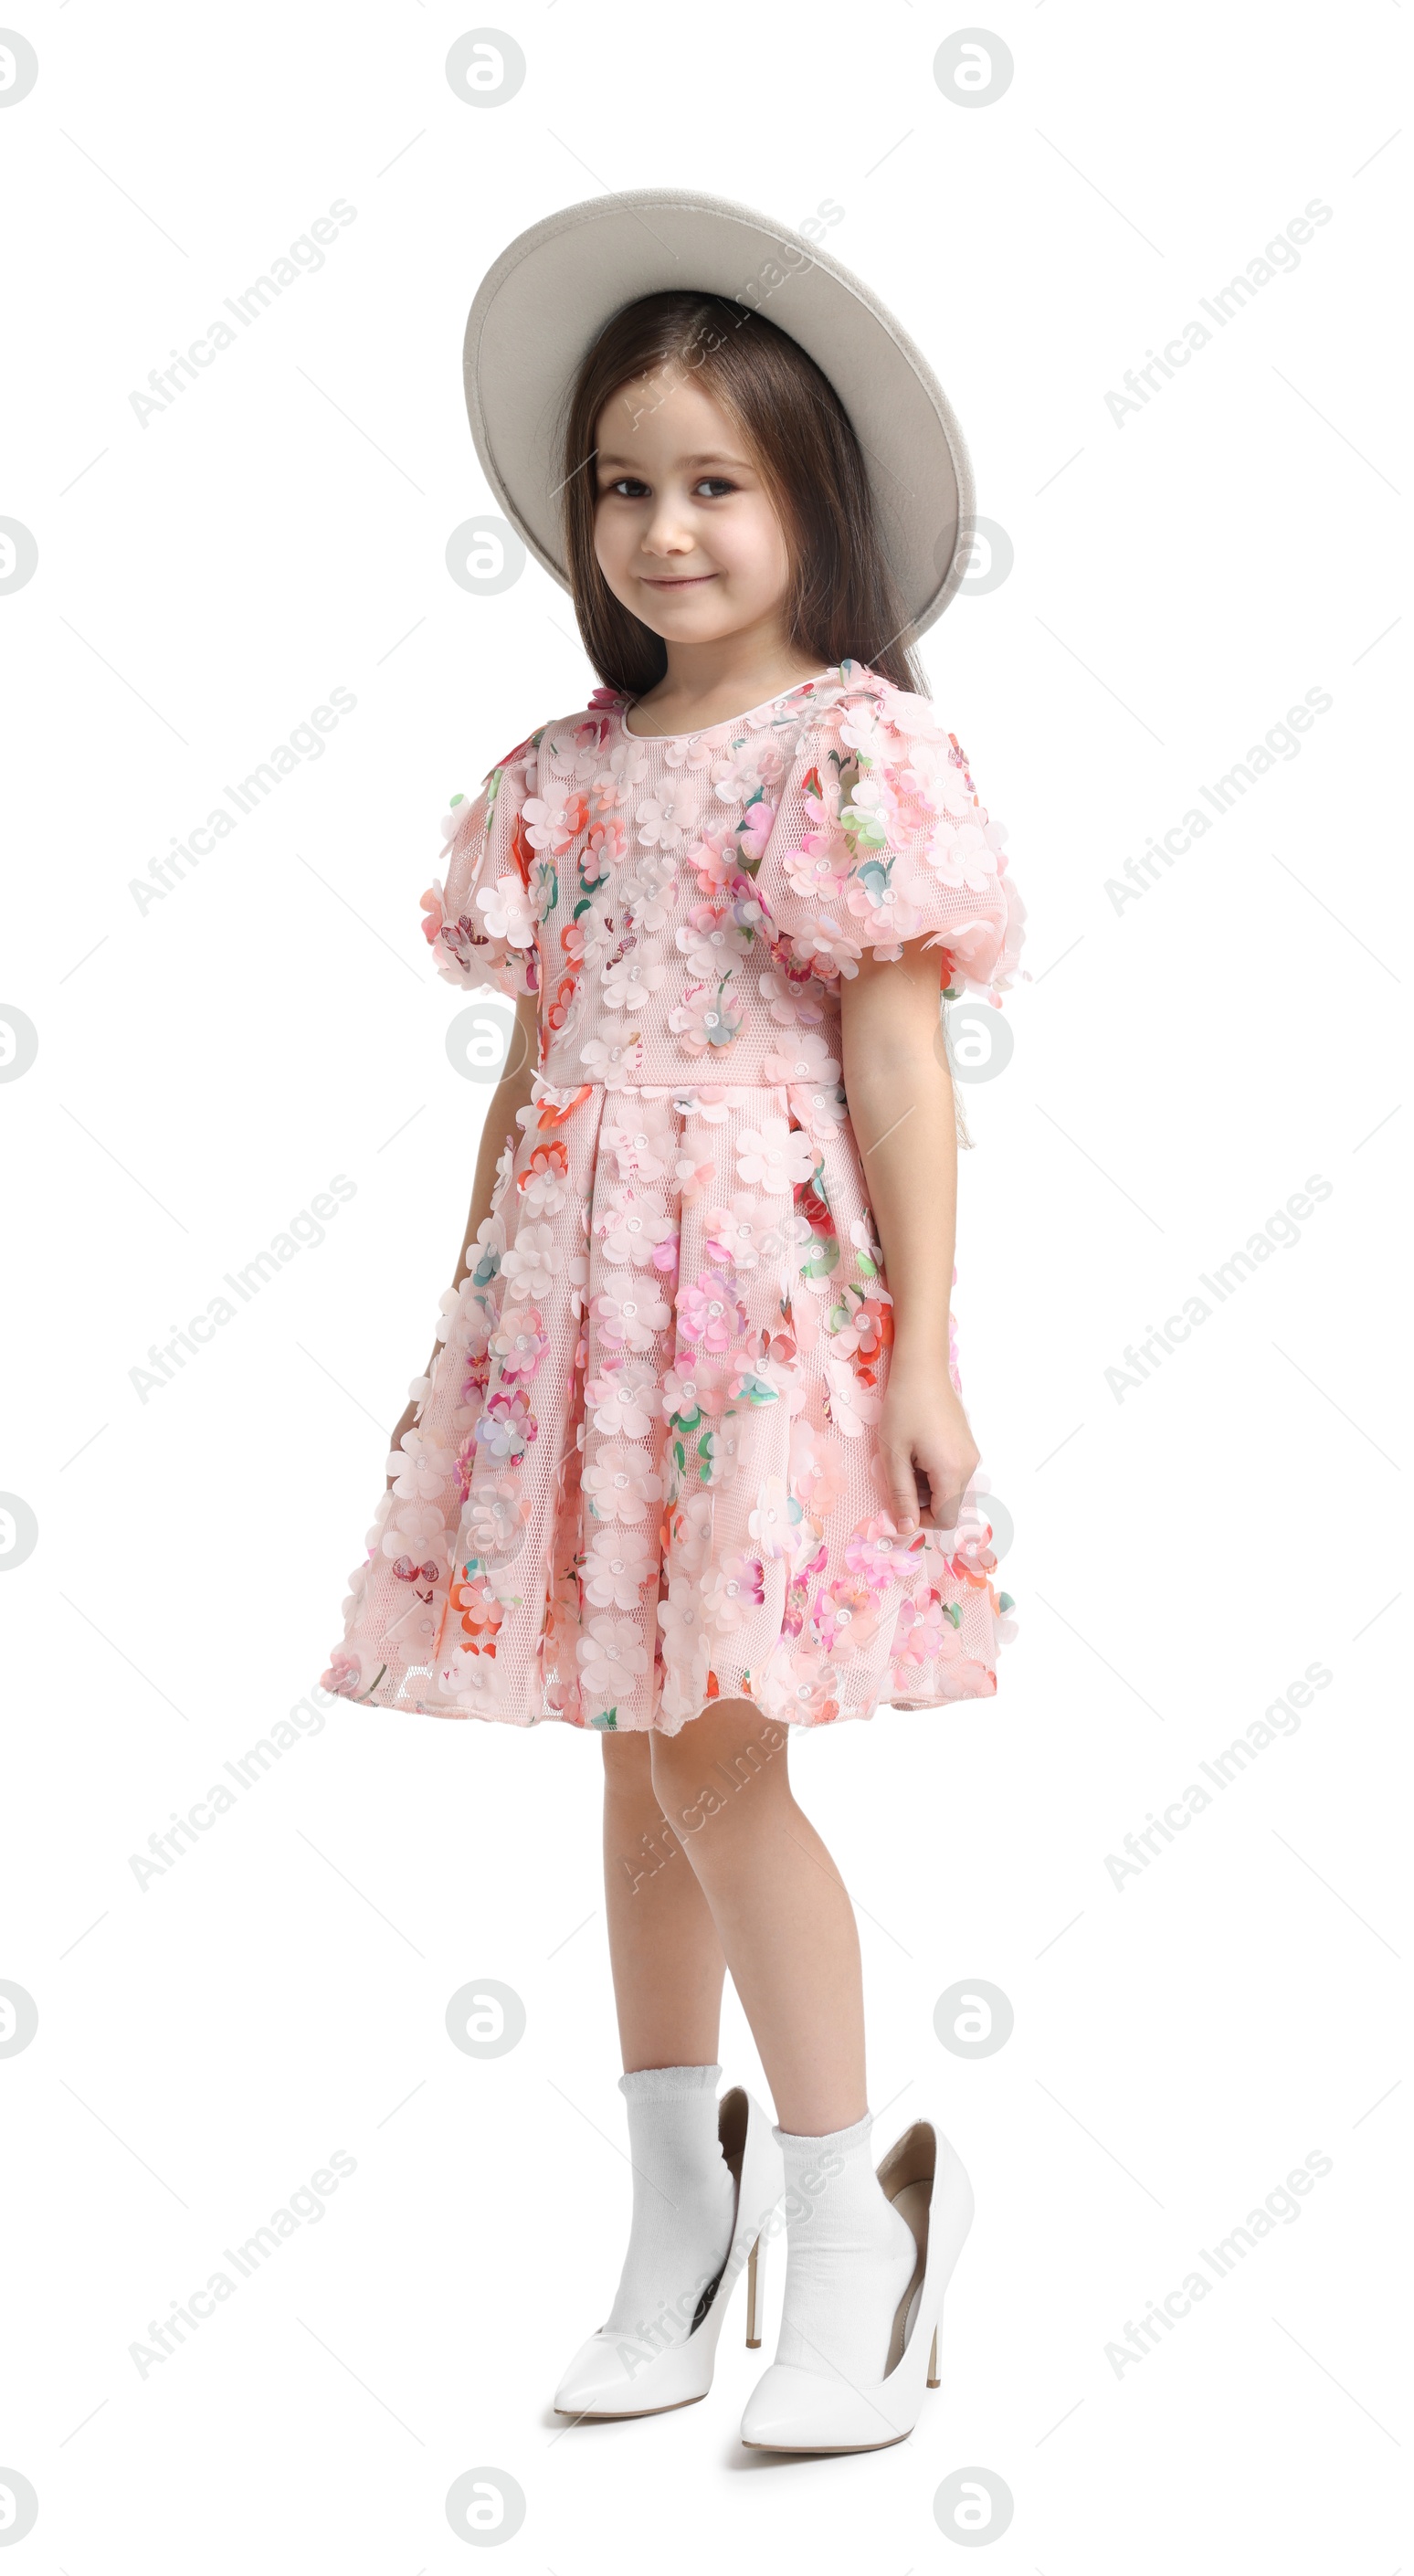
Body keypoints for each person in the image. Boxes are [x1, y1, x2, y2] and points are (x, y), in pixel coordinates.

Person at [321, 192, 1028, 2455]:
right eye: (622, 482)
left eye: (711, 480)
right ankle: (670, 2226)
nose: (658, 525)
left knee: (722, 1755)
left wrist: (920, 1350)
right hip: (568, 1319)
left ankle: (858, 2242)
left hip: (749, 1319)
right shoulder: (559, 781)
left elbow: (900, 1065)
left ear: (805, 497)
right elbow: (531, 1080)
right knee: (633, 1777)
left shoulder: (844, 753)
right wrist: (465, 1328)